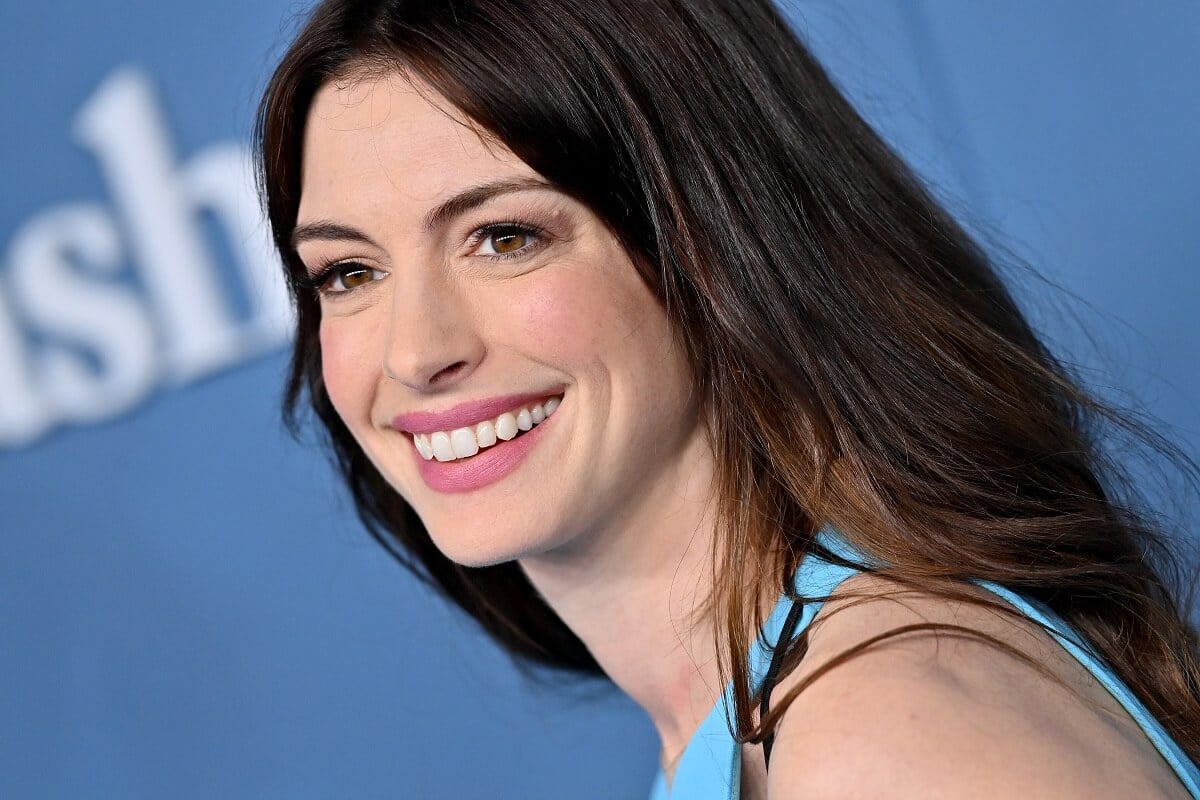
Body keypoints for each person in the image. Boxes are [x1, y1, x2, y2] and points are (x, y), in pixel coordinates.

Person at [255, 1, 1200, 796]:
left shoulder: (875, 738)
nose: (417, 351)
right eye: (347, 272)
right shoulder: (788, 717)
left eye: (504, 237)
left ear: (708, 242)